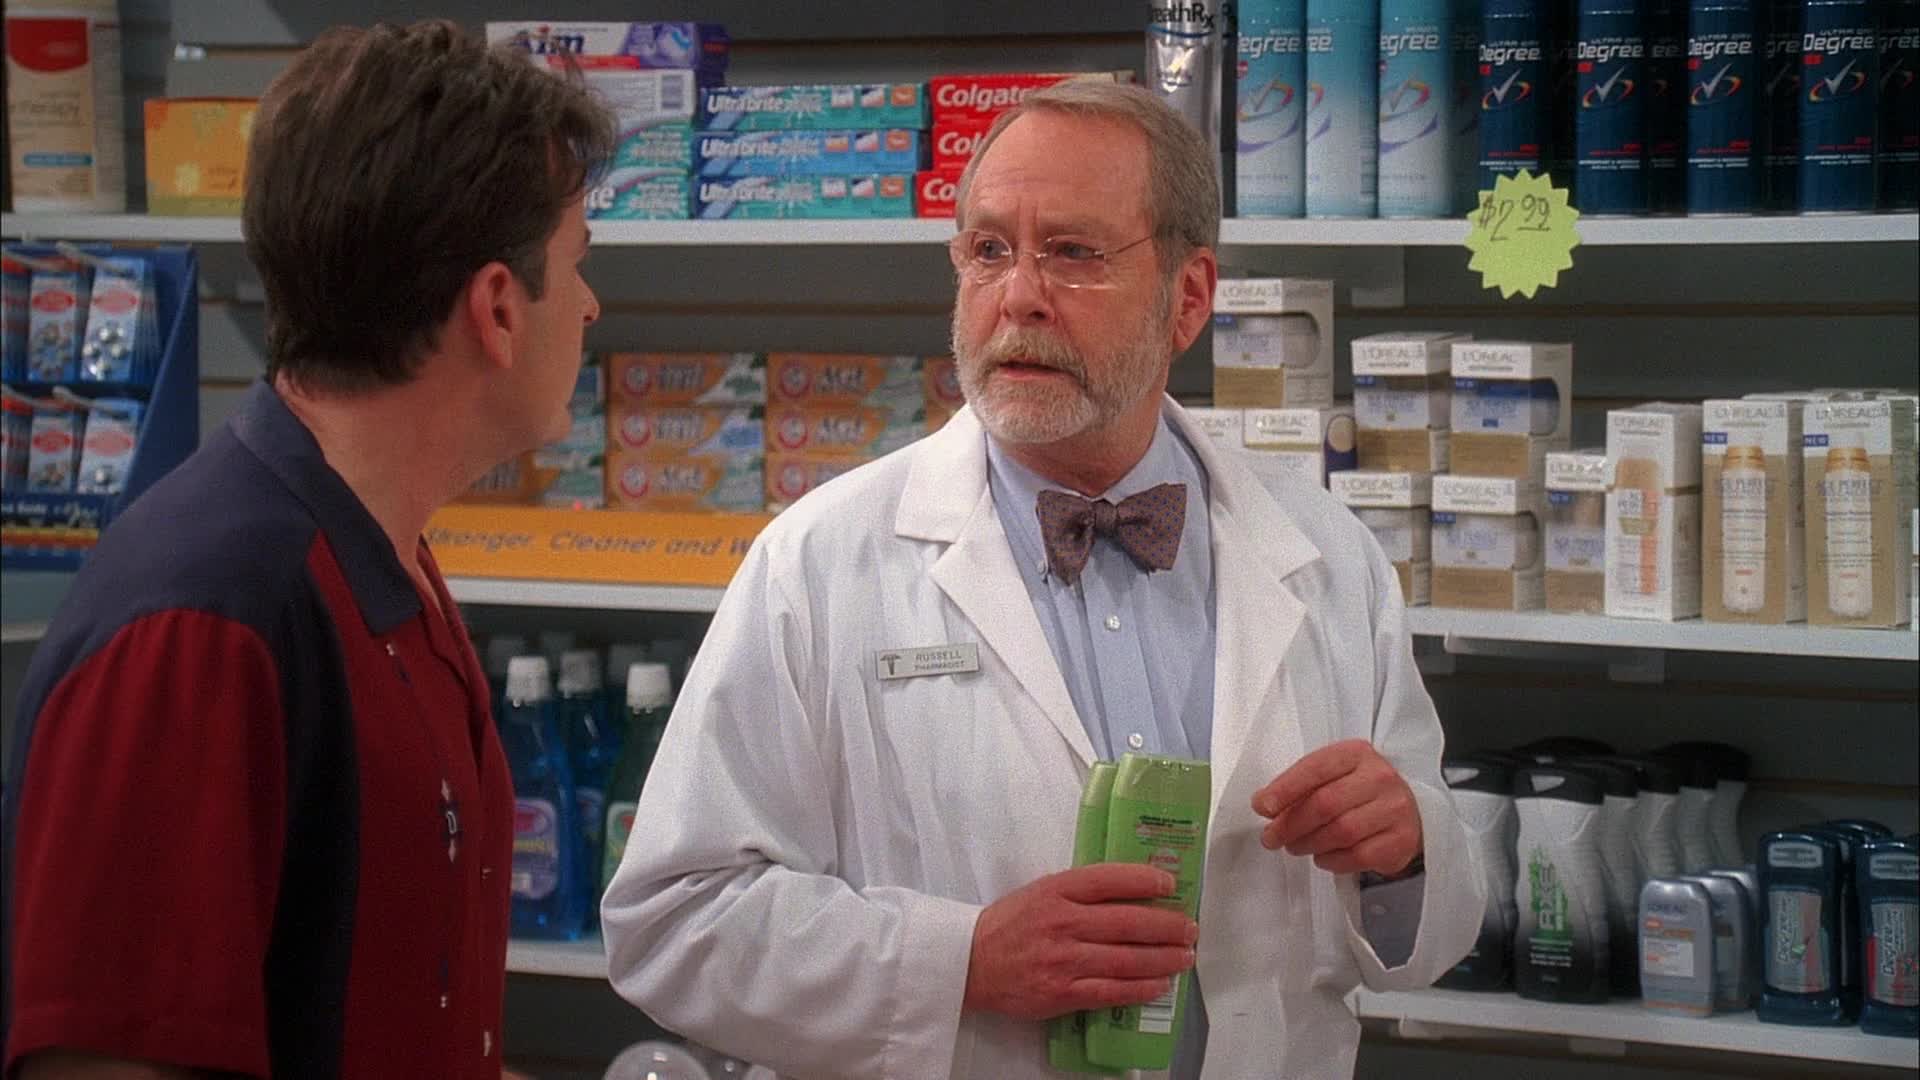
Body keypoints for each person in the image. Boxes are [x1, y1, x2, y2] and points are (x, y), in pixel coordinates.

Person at [600, 81, 1482, 1078]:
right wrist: (958, 962)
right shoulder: (819, 562)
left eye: (1072, 253)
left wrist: (1406, 849)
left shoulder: (1326, 554)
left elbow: (1440, 926)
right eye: (988, 250)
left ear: (1189, 297)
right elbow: (671, 923)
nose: (1018, 295)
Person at [1, 20, 610, 1079]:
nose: (593, 304)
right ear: (498, 309)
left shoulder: (384, 561)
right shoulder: (201, 623)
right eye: (578, 264)